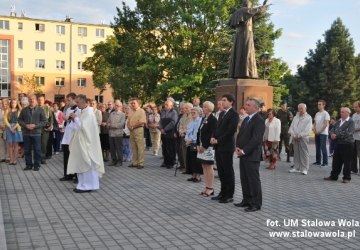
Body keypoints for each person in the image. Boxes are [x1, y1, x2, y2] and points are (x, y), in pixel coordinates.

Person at [67, 94, 105, 193]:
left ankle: (88, 185)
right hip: (81, 142)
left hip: (88, 144)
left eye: (78, 102)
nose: (77, 104)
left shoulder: (89, 113)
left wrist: (75, 118)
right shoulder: (81, 112)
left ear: (84, 102)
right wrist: (74, 119)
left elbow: (84, 127)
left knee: (88, 163)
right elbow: (78, 127)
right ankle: (83, 184)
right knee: (81, 163)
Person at [235, 98, 265, 212]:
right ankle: (246, 200)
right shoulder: (247, 118)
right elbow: (240, 135)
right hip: (243, 153)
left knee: (253, 180)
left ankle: (256, 203)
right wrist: (238, 147)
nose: (245, 106)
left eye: (248, 105)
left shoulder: (259, 120)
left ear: (255, 108)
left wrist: (244, 150)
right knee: (245, 178)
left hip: (252, 155)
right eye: (246, 105)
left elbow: (256, 139)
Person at [210, 94, 239, 204]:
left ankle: (229, 195)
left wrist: (219, 140)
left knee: (228, 171)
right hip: (218, 146)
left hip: (226, 146)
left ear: (231, 102)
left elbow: (230, 131)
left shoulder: (234, 114)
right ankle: (222, 193)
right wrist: (213, 136)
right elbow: (217, 128)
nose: (222, 102)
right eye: (222, 100)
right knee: (221, 171)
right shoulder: (222, 113)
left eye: (224, 100)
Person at [228, 0, 268, 78]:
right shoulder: (246, 10)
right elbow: (259, 10)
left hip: (238, 34)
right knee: (247, 52)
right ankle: (246, 73)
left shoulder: (236, 12)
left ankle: (235, 73)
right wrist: (264, 6)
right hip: (246, 33)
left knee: (238, 53)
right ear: (248, 5)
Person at [324, 107, 354, 183]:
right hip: (338, 144)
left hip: (347, 144)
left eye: (343, 112)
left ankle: (346, 178)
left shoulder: (351, 122)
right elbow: (332, 129)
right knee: (336, 161)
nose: (341, 113)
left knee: (347, 162)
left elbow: (349, 133)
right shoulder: (338, 121)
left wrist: (336, 135)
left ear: (348, 113)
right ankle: (334, 176)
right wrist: (331, 134)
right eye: (341, 112)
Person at [18, 94, 47, 171]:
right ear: (28, 100)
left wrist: (35, 125)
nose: (31, 100)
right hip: (26, 133)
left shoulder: (40, 110)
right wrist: (26, 125)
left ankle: (36, 165)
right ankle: (28, 165)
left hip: (36, 133)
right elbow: (20, 120)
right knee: (27, 150)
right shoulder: (24, 110)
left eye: (33, 99)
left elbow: (44, 121)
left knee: (37, 150)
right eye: (30, 99)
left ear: (36, 100)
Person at [197, 101, 217, 196]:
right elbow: (199, 132)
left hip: (208, 147)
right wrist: (198, 145)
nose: (202, 108)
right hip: (201, 146)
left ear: (209, 108)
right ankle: (206, 186)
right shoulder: (203, 118)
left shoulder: (213, 119)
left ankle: (211, 188)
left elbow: (211, 134)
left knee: (209, 167)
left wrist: (204, 146)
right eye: (202, 106)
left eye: (204, 107)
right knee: (204, 166)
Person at [60, 93, 81, 181]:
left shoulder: (79, 110)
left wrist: (71, 118)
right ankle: (68, 174)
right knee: (66, 156)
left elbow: (79, 122)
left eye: (69, 100)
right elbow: (67, 120)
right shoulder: (68, 109)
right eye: (67, 100)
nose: (67, 102)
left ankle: (77, 176)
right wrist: (66, 119)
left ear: (74, 99)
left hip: (74, 135)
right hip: (67, 135)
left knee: (75, 157)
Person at [288, 103, 313, 175]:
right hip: (295, 137)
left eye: (302, 108)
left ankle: (305, 169)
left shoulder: (308, 118)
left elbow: (308, 129)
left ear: (305, 109)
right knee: (296, 153)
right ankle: (296, 167)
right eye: (299, 108)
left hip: (303, 138)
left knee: (304, 153)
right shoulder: (296, 117)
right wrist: (294, 135)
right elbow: (291, 126)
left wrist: (299, 135)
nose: (300, 110)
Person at [127, 98, 147, 169]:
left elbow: (142, 122)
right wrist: (129, 126)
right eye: (131, 103)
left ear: (139, 104)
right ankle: (134, 162)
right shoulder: (131, 111)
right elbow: (128, 121)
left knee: (140, 147)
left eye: (134, 103)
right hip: (131, 131)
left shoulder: (142, 111)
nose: (132, 104)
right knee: (133, 147)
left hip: (138, 130)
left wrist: (133, 126)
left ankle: (140, 163)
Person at [185, 107, 203, 182]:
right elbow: (188, 131)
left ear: (199, 113)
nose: (192, 114)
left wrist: (190, 139)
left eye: (194, 112)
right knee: (191, 159)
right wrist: (186, 138)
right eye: (191, 112)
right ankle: (193, 175)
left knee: (197, 160)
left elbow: (196, 133)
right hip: (190, 143)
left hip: (196, 142)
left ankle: (198, 176)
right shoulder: (191, 122)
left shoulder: (200, 121)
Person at [159, 99, 178, 169]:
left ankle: (171, 162)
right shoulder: (163, 111)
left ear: (171, 105)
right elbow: (160, 121)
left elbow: (173, 122)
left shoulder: (174, 112)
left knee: (170, 148)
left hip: (170, 132)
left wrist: (165, 129)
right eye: (165, 104)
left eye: (167, 104)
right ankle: (165, 161)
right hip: (163, 132)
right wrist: (161, 128)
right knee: (164, 147)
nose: (165, 106)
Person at [107, 99, 125, 167]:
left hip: (118, 134)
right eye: (115, 105)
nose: (116, 106)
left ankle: (120, 161)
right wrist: (110, 125)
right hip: (111, 134)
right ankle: (114, 160)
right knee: (112, 148)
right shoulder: (111, 114)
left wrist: (112, 126)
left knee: (119, 148)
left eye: (118, 105)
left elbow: (121, 124)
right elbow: (108, 123)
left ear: (120, 106)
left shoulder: (122, 114)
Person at [4, 99, 23, 165]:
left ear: (17, 103)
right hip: (9, 128)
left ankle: (15, 160)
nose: (13, 104)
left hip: (17, 129)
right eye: (12, 103)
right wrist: (10, 127)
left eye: (15, 103)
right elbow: (5, 119)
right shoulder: (7, 110)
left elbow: (20, 120)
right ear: (10, 103)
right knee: (10, 145)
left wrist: (14, 127)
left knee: (16, 145)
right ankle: (11, 160)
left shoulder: (19, 111)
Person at [313, 100, 330, 167]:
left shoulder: (326, 113)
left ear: (323, 105)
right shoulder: (317, 114)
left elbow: (326, 124)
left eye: (320, 104)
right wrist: (314, 130)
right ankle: (318, 161)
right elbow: (314, 123)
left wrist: (319, 131)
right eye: (318, 104)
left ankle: (325, 162)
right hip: (316, 133)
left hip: (323, 133)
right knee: (317, 147)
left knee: (323, 147)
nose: (319, 105)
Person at [177, 102, 193, 172]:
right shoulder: (184, 116)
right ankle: (184, 166)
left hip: (188, 136)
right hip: (182, 135)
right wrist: (180, 131)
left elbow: (189, 126)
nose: (185, 109)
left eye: (187, 108)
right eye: (185, 108)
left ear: (191, 108)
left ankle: (188, 167)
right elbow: (180, 124)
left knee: (187, 152)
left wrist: (183, 132)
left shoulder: (192, 116)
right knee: (182, 151)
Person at [37, 95, 53, 164]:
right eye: (39, 100)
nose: (40, 101)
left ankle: (43, 158)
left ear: (44, 101)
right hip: (36, 129)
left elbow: (51, 118)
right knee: (37, 144)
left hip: (45, 129)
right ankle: (37, 158)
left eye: (42, 100)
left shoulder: (47, 108)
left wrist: (50, 125)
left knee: (44, 144)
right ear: (37, 100)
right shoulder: (35, 108)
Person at [351, 101, 360, 174]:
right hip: (353, 138)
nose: (354, 108)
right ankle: (354, 169)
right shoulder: (354, 115)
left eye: (356, 107)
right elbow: (351, 124)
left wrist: (353, 129)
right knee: (353, 154)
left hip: (359, 138)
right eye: (354, 107)